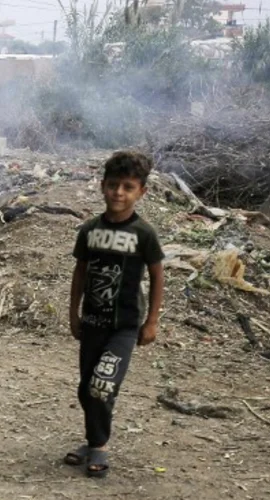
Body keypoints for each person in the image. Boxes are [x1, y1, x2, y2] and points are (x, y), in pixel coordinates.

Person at [64, 150, 165, 479]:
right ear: (102, 186)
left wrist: (152, 321)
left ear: (141, 192)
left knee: (102, 385)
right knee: (86, 388)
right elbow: (80, 273)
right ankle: (92, 440)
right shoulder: (90, 230)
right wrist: (74, 313)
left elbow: (157, 276)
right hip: (93, 322)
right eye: (113, 185)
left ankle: (100, 445)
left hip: (124, 326)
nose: (118, 193)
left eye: (128, 187)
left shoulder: (144, 234)